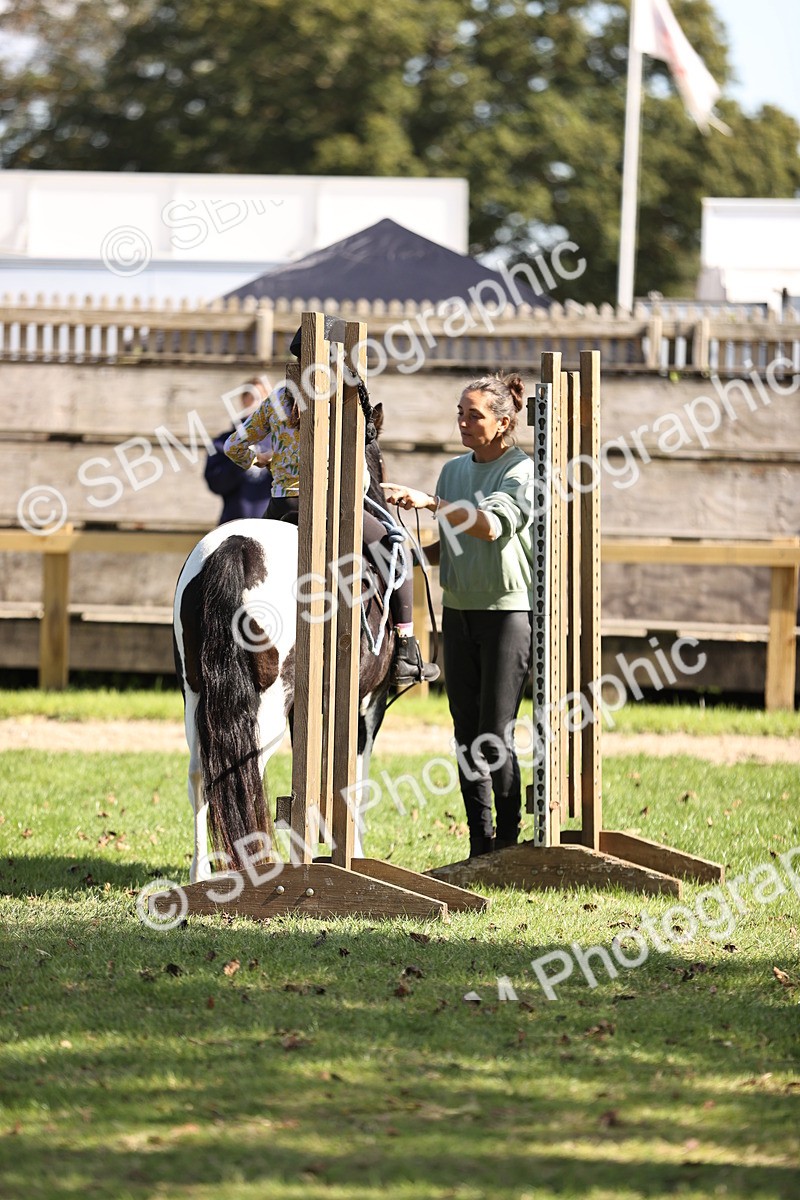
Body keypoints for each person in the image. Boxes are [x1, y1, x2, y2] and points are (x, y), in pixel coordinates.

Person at [382, 372, 533, 859]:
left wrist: (430, 502)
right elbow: (451, 541)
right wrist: (396, 551)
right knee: (465, 734)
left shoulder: (521, 472)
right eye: (460, 413)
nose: (463, 422)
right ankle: (479, 845)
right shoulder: (452, 470)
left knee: (495, 732)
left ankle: (508, 844)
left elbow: (488, 527)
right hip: (459, 611)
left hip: (508, 614)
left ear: (503, 421)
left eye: (475, 415)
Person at [223, 345, 439, 684]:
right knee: (395, 552)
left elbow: (232, 447)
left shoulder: (276, 399)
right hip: (333, 505)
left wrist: (261, 461)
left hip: (280, 506)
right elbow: (363, 476)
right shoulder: (344, 398)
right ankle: (406, 650)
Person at [204, 377, 273, 524]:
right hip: (234, 525)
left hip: (271, 524)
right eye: (254, 397)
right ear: (244, 401)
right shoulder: (223, 442)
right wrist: (243, 458)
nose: (259, 403)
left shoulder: (280, 440)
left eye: (265, 398)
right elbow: (216, 484)